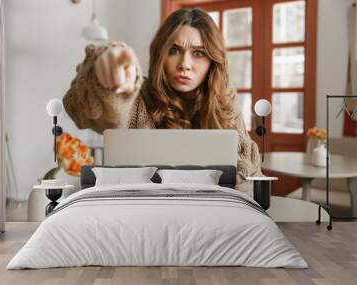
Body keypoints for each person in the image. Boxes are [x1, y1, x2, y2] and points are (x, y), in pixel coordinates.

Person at [63, 8, 262, 186]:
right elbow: (94, 110)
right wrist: (103, 71)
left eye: (199, 53)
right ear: (160, 54)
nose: (185, 64)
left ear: (213, 61)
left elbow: (247, 162)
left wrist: (238, 172)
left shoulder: (225, 101)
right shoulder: (137, 97)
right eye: (174, 50)